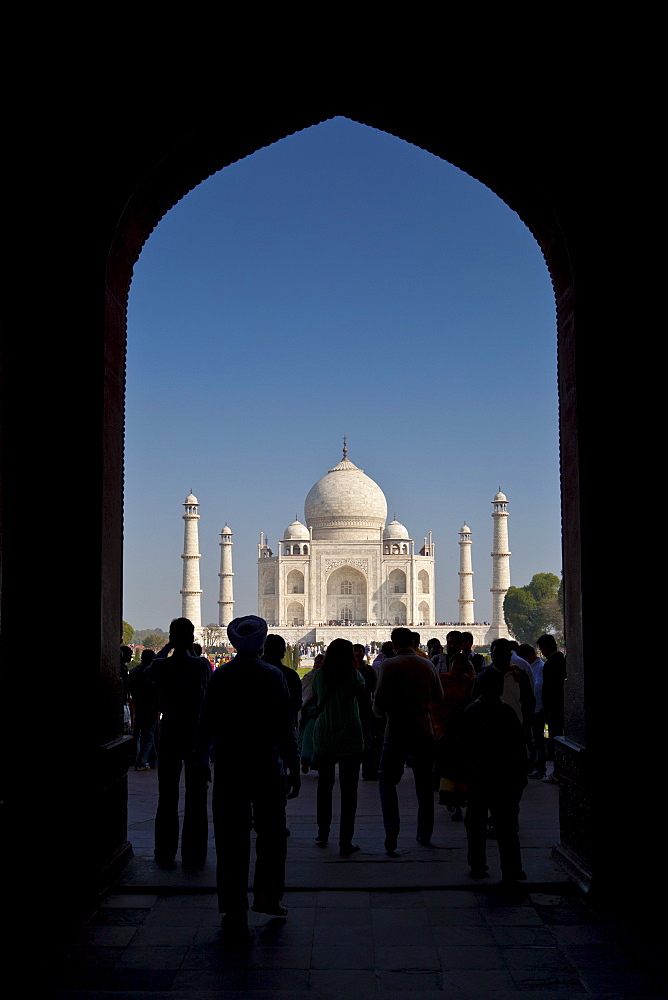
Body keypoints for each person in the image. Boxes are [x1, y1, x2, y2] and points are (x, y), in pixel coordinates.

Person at [195, 615, 301, 931]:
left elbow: (206, 723)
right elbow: (285, 726)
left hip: (230, 765)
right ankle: (268, 897)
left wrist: (201, 762)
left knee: (230, 838)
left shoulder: (222, 675)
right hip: (267, 766)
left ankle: (233, 906)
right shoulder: (272, 676)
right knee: (272, 835)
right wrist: (293, 765)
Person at [375, 626, 443, 854]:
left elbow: (380, 701)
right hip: (423, 731)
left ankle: (391, 833)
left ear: (393, 643)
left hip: (396, 731)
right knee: (424, 786)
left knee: (387, 782)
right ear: (414, 643)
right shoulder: (427, 664)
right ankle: (425, 834)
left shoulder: (389, 665)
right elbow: (439, 696)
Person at [149, 618, 211, 867]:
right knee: (196, 797)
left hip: (170, 732)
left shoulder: (164, 666)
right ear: (193, 637)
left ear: (173, 637)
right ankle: (194, 854)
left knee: (167, 796)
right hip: (194, 734)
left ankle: (164, 852)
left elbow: (151, 670)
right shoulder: (201, 665)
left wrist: (167, 647)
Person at [458, 666, 528, 881]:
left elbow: (463, 747)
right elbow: (518, 747)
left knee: (475, 822)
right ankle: (512, 868)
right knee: (506, 825)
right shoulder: (507, 712)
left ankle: (477, 863)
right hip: (503, 776)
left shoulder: (472, 711)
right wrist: (520, 777)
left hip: (478, 775)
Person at [312, 638, 373, 856]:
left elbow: (314, 700)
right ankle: (345, 840)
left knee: (324, 787)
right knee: (349, 792)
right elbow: (365, 707)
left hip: (325, 733)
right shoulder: (355, 676)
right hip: (349, 734)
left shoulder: (319, 675)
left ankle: (322, 831)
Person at [536, 634, 566, 784]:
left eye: (541, 649)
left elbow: (548, 690)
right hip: (563, 707)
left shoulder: (550, 664)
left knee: (555, 740)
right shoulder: (564, 661)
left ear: (546, 648)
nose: (541, 652)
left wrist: (546, 709)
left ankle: (557, 772)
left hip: (553, 710)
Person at [128, 648, 159, 770]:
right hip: (151, 706)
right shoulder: (152, 673)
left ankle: (151, 759)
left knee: (140, 733)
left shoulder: (134, 672)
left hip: (139, 704)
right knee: (149, 734)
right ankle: (142, 761)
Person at [263, 633, 303, 727]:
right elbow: (297, 704)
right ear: (283, 652)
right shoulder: (290, 675)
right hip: (284, 729)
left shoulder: (253, 673)